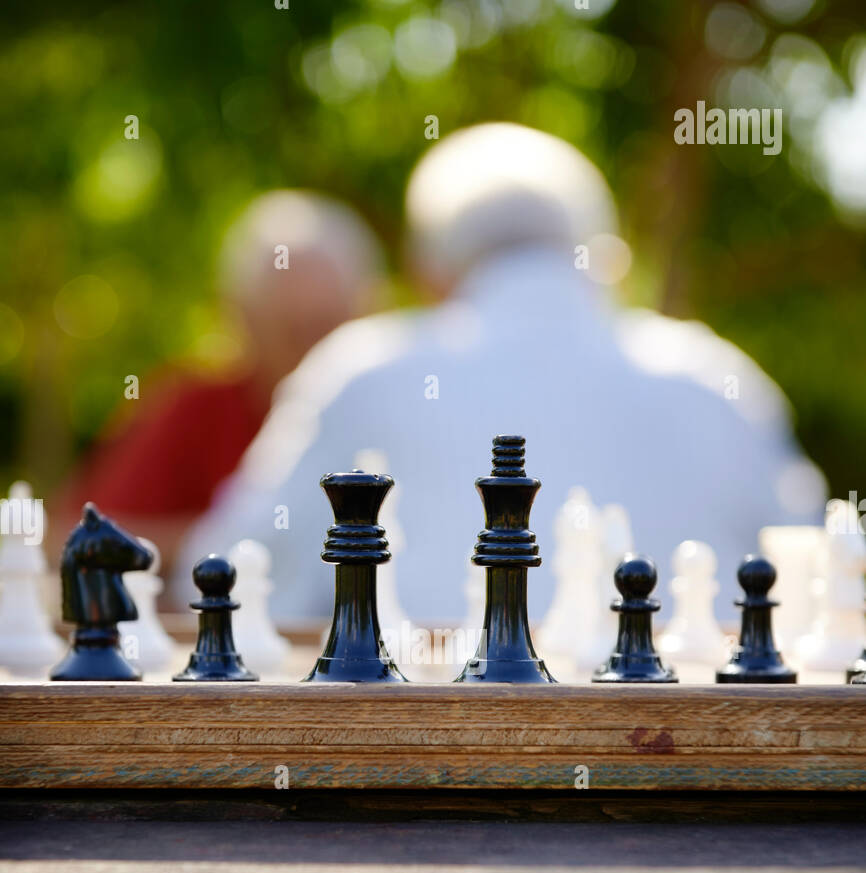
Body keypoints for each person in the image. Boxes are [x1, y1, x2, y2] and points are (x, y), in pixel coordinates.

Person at [176, 123, 826, 623]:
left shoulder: (363, 372)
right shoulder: (717, 381)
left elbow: (220, 579)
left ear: (429, 272)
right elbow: (826, 582)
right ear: (608, 261)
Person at [54, 191, 384, 570]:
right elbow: (76, 538)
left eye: (328, 331)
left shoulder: (395, 415)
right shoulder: (193, 409)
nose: (314, 358)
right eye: (292, 332)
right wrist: (237, 540)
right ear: (241, 320)